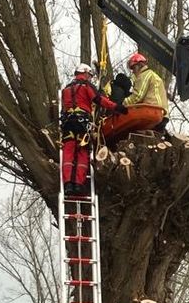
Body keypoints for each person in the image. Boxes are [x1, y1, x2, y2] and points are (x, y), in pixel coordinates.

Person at [61, 63, 126, 196]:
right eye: (89, 76)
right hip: (82, 123)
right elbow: (100, 100)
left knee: (68, 152)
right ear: (85, 73)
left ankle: (68, 184)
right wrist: (117, 107)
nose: (90, 78)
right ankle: (78, 185)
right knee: (82, 152)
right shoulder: (86, 86)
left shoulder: (66, 89)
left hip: (68, 123)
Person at [125, 52, 169, 130]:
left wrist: (122, 104)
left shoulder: (144, 75)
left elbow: (137, 97)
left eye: (133, 68)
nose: (133, 71)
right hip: (163, 114)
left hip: (152, 113)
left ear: (139, 65)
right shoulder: (153, 75)